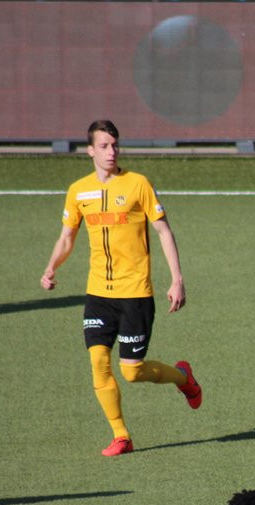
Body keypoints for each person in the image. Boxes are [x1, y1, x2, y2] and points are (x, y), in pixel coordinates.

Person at [40, 119, 201, 456]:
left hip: (135, 295)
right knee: (98, 363)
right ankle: (121, 435)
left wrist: (177, 279)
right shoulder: (78, 191)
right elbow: (67, 237)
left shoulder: (138, 184)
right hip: (98, 294)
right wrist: (52, 267)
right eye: (103, 146)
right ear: (90, 151)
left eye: (115, 145)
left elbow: (163, 232)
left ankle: (182, 378)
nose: (111, 152)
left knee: (131, 371)